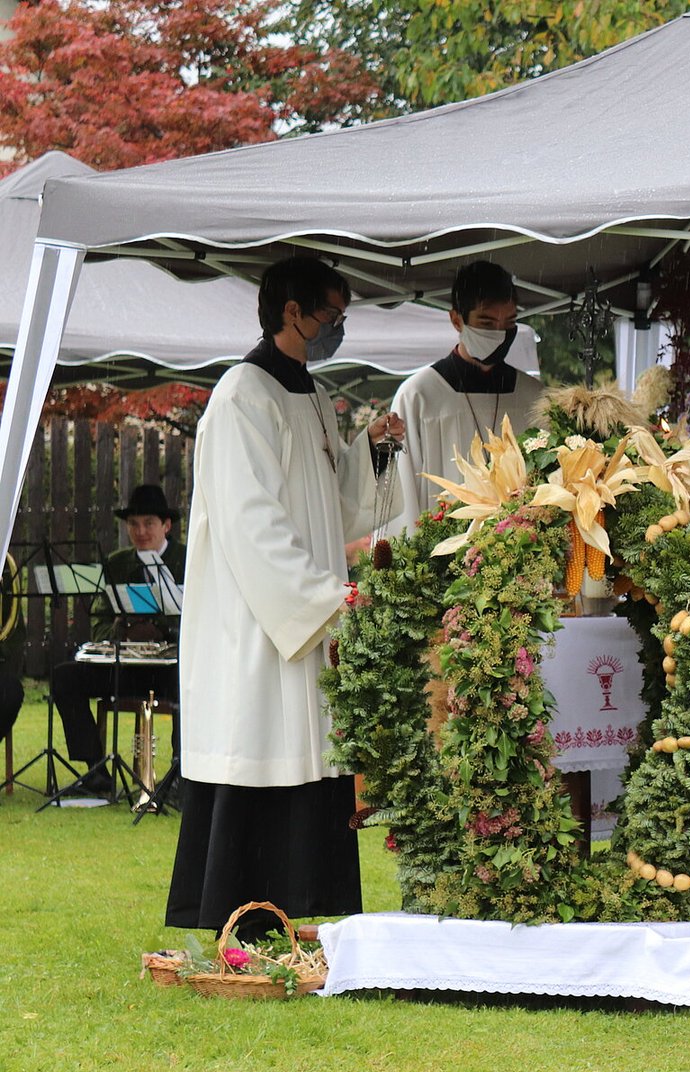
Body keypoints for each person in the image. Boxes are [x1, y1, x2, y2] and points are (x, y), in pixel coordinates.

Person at [166, 256, 405, 939]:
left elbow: (333, 505)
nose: (337, 329)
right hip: (258, 622)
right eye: (330, 316)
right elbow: (251, 522)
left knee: (306, 755)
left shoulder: (312, 395)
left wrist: (370, 452)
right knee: (261, 747)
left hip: (305, 614)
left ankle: (299, 912)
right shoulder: (242, 396)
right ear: (291, 312)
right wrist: (321, 597)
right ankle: (243, 916)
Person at [387, 260, 545, 534]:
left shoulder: (533, 396)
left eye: (509, 322)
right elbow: (403, 495)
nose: (499, 334)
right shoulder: (418, 396)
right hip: (442, 549)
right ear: (456, 320)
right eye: (487, 322)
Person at [49, 484, 186, 798]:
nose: (140, 531)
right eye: (133, 524)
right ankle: (96, 771)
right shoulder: (116, 563)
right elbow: (98, 622)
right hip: (125, 665)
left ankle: (181, 776)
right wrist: (122, 632)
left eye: (149, 523)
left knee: (191, 681)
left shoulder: (186, 559)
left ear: (166, 525)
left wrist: (162, 630)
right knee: (65, 676)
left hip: (169, 668)